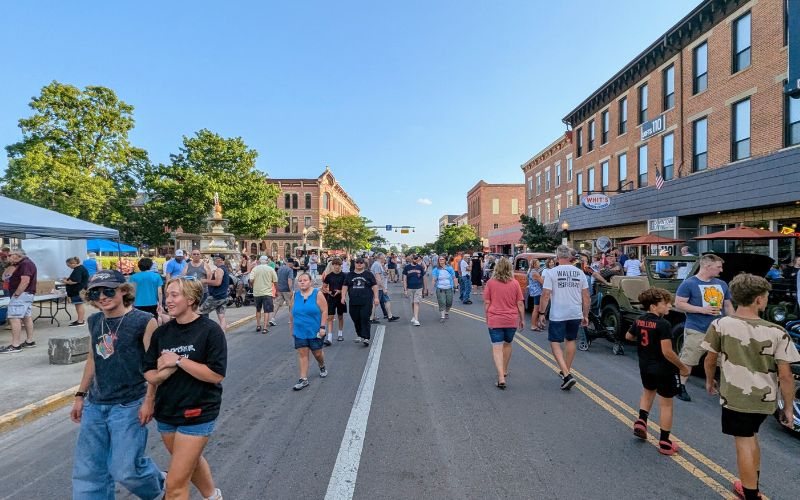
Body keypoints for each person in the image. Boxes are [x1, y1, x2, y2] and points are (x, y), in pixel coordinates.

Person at [701, 273, 800, 500]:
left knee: (743, 443)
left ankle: (749, 492)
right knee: (752, 436)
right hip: (764, 400)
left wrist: (709, 380)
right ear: (758, 300)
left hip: (736, 397)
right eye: (766, 296)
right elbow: (785, 376)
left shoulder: (720, 325)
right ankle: (752, 482)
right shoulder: (777, 332)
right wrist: (788, 407)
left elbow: (709, 359)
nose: (766, 300)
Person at [70, 270, 165, 499]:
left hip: (129, 404)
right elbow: (93, 358)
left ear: (124, 291)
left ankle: (160, 487)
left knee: (126, 470)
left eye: (108, 290)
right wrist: (80, 395)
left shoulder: (144, 321)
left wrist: (149, 400)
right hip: (96, 404)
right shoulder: (94, 321)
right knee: (89, 471)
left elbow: (152, 365)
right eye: (95, 292)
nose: (102, 296)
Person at [144, 278, 226, 500]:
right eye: (167, 295)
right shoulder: (162, 333)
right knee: (190, 460)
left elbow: (216, 374)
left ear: (190, 300)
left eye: (174, 295)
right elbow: (149, 372)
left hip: (198, 411)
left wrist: (178, 360)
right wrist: (151, 395)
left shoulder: (210, 330)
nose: (167, 300)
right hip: (167, 412)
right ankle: (213, 496)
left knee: (175, 483)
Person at [625, 288, 690, 456]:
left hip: (645, 365)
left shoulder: (639, 320)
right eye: (665, 303)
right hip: (664, 369)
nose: (669, 306)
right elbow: (667, 352)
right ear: (654, 306)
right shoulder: (663, 324)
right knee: (666, 404)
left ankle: (641, 420)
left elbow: (628, 337)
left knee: (648, 392)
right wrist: (682, 367)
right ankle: (665, 442)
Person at [674, 253, 734, 402]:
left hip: (718, 329)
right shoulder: (689, 283)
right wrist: (702, 310)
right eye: (718, 267)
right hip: (696, 328)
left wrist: (733, 323)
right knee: (689, 359)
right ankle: (680, 387)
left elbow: (727, 305)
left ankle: (725, 390)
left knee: (723, 361)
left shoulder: (722, 284)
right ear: (707, 266)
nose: (721, 270)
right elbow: (679, 303)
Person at [537, 245, 589, 391]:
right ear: (570, 257)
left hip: (558, 313)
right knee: (570, 340)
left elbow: (545, 295)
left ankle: (566, 374)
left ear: (558, 257)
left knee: (554, 341)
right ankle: (566, 370)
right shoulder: (579, 273)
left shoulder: (552, 273)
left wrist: (542, 313)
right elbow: (586, 296)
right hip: (574, 312)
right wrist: (585, 315)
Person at [484, 258, 525, 389]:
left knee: (497, 347)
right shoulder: (515, 283)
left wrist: (487, 317)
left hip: (495, 319)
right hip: (511, 319)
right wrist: (522, 319)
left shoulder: (490, 283)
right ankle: (505, 370)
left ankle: (500, 376)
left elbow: (487, 303)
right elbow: (520, 303)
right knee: (507, 345)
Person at [289, 273, 328, 391]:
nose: (302, 282)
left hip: (315, 330)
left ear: (310, 282)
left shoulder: (318, 294)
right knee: (303, 354)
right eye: (300, 280)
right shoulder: (295, 295)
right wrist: (292, 327)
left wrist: (322, 327)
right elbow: (291, 312)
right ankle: (303, 379)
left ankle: (322, 365)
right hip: (300, 331)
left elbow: (324, 311)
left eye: (305, 280)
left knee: (317, 353)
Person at [0, 249, 37, 353]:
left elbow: (25, 281)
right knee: (26, 318)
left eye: (10, 255)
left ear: (17, 255)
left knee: (14, 318)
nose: (8, 257)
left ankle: (15, 345)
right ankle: (30, 341)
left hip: (21, 295)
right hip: (26, 295)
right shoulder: (25, 263)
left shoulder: (25, 264)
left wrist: (16, 294)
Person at [341, 257, 379, 346]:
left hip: (366, 300)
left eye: (361, 262)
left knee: (365, 318)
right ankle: (359, 334)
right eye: (357, 262)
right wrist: (343, 296)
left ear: (364, 264)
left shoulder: (368, 274)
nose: (359, 264)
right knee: (355, 318)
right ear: (355, 263)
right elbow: (345, 286)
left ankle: (366, 337)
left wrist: (376, 297)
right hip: (353, 301)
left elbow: (374, 286)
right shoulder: (349, 275)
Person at [199, 255, 231, 330]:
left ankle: (203, 330)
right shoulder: (224, 269)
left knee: (199, 312)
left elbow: (217, 283)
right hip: (223, 296)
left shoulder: (219, 269)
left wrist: (204, 281)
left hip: (216, 297)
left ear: (220, 260)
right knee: (221, 316)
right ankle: (222, 333)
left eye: (215, 259)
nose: (213, 260)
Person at [251, 255, 279, 334]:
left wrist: (254, 285)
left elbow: (251, 280)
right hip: (267, 293)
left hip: (257, 292)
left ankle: (258, 325)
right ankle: (265, 328)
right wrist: (276, 291)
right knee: (266, 311)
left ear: (259, 261)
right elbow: (275, 281)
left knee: (258, 309)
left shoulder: (255, 269)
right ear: (267, 261)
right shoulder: (270, 269)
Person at [322, 258, 348, 343]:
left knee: (340, 316)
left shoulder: (344, 275)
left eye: (338, 265)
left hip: (341, 299)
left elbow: (347, 288)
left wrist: (340, 291)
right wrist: (329, 292)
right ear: (332, 265)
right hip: (331, 299)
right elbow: (324, 287)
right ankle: (329, 337)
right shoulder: (329, 276)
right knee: (330, 317)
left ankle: (340, 334)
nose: (337, 267)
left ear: (341, 266)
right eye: (335, 265)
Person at [370, 254, 399, 323]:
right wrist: (383, 288)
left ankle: (390, 316)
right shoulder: (377, 265)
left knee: (387, 300)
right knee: (375, 302)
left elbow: (382, 275)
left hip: (380, 287)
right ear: (381, 258)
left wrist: (385, 270)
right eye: (384, 258)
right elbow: (377, 278)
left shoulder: (379, 264)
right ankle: (371, 318)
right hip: (378, 287)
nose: (385, 259)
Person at [63, 256, 90, 327]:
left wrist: (65, 281)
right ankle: (80, 320)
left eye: (69, 265)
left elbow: (74, 281)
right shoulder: (80, 268)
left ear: (73, 263)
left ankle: (80, 321)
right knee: (79, 305)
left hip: (78, 290)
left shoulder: (78, 269)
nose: (69, 267)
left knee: (79, 305)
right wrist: (68, 279)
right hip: (80, 290)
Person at [403, 254, 427, 326]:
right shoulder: (407, 267)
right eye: (414, 258)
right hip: (410, 288)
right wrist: (405, 290)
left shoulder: (420, 267)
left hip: (419, 287)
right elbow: (404, 279)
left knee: (416, 302)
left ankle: (416, 319)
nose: (416, 260)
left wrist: (425, 288)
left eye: (417, 259)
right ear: (411, 259)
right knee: (413, 303)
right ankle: (414, 316)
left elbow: (424, 278)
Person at [430, 256, 456, 322]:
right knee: (442, 302)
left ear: (445, 260)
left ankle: (447, 312)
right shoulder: (436, 269)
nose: (441, 260)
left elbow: (454, 277)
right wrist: (431, 289)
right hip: (440, 288)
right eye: (440, 259)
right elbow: (433, 280)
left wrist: (456, 286)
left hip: (449, 287)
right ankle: (442, 316)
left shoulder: (449, 268)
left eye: (442, 259)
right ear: (438, 261)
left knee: (449, 302)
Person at [273, 258, 295, 325]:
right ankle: (290, 320)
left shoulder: (280, 269)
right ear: (290, 263)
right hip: (287, 290)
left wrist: (277, 289)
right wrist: (291, 290)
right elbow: (289, 280)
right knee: (290, 305)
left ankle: (272, 318)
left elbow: (276, 279)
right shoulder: (290, 270)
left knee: (277, 304)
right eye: (293, 263)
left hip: (280, 289)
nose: (293, 265)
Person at [527, 258, 544, 331]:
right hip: (537, 292)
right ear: (534, 265)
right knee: (536, 309)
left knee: (536, 309)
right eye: (538, 263)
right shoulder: (535, 273)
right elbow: (542, 282)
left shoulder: (532, 271)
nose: (539, 264)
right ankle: (533, 325)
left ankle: (535, 324)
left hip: (534, 292)